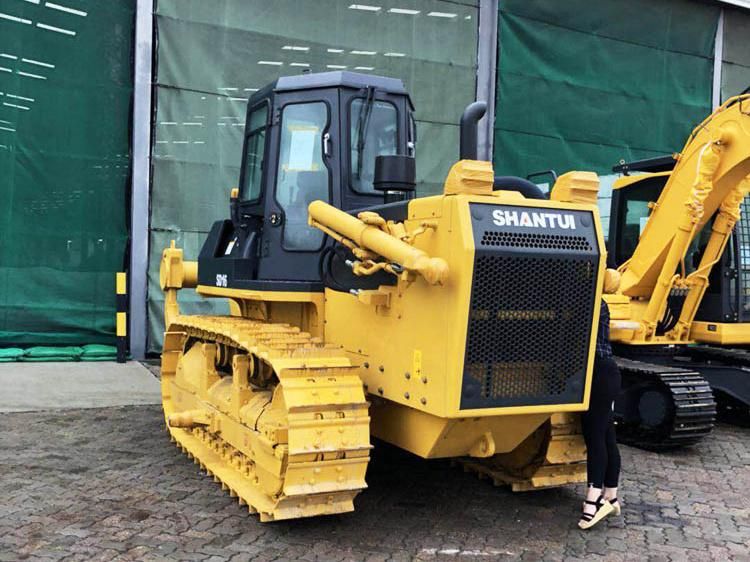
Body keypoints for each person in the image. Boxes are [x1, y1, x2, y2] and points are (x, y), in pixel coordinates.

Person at [578, 294, 622, 530]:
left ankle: (592, 501)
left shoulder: (590, 301)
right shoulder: (599, 301)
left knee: (595, 437)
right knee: (606, 436)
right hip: (606, 373)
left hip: (597, 375)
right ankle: (611, 496)